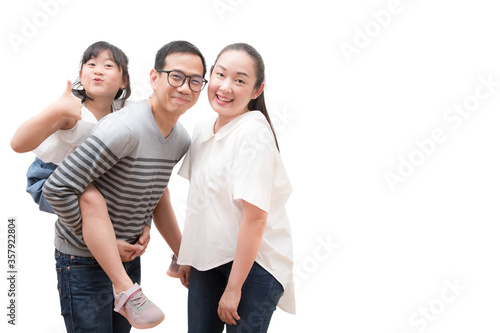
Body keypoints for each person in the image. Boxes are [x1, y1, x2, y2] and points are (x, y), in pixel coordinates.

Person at [41, 40, 207, 333]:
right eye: (176, 76)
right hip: (81, 260)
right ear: (155, 78)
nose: (184, 88)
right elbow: (58, 187)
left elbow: (156, 194)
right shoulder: (125, 128)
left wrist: (179, 252)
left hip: (127, 259)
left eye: (195, 81)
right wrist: (103, 244)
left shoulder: (180, 139)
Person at [11, 41, 167, 328]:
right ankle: (125, 287)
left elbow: (144, 173)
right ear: (80, 75)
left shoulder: (127, 115)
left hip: (95, 185)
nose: (98, 70)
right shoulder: (73, 112)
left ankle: (124, 286)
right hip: (53, 177)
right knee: (90, 197)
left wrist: (145, 223)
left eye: (108, 66)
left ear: (124, 81)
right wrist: (55, 108)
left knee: (99, 195)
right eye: (91, 64)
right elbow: (18, 143)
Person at [177, 43, 295, 333]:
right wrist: (186, 256)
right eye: (220, 75)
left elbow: (256, 218)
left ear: (257, 90)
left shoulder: (253, 133)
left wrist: (233, 288)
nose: (225, 87)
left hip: (254, 265)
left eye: (240, 80)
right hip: (211, 258)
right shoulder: (203, 128)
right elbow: (199, 202)